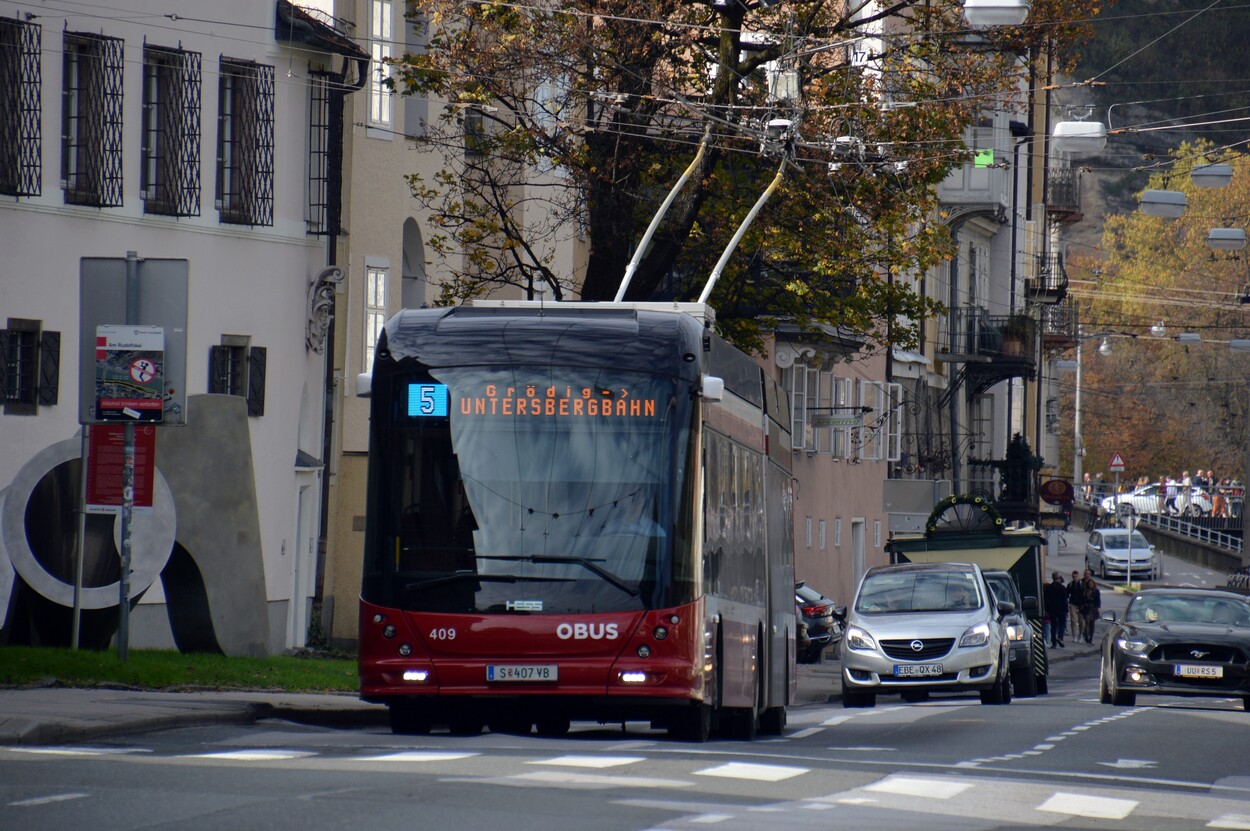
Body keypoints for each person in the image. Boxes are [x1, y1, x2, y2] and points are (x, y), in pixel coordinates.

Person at [1043, 572, 1068, 648]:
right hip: (1061, 609)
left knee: (1053, 626)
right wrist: (1066, 610)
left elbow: (1046, 600)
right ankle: (1060, 637)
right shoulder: (1062, 588)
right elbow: (1065, 600)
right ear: (1059, 577)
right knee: (1062, 624)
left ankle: (1054, 643)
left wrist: (1046, 610)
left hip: (1052, 610)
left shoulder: (1049, 588)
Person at [1079, 572, 1101, 644]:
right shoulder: (1085, 591)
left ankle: (1090, 638)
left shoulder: (1096, 591)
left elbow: (1098, 600)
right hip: (1086, 608)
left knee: (1092, 624)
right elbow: (1082, 599)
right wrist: (1081, 607)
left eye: (1091, 584)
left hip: (1093, 609)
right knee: (1087, 623)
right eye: (1089, 584)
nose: (1090, 585)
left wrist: (1098, 607)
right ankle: (1086, 635)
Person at [1067, 570, 1083, 641]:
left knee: (1081, 621)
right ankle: (1074, 636)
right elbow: (1067, 594)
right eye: (1073, 576)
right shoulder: (1070, 584)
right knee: (1073, 620)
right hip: (1073, 604)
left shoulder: (1082, 584)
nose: (1075, 578)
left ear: (1078, 576)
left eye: (1076, 576)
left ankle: (1081, 635)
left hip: (1081, 604)